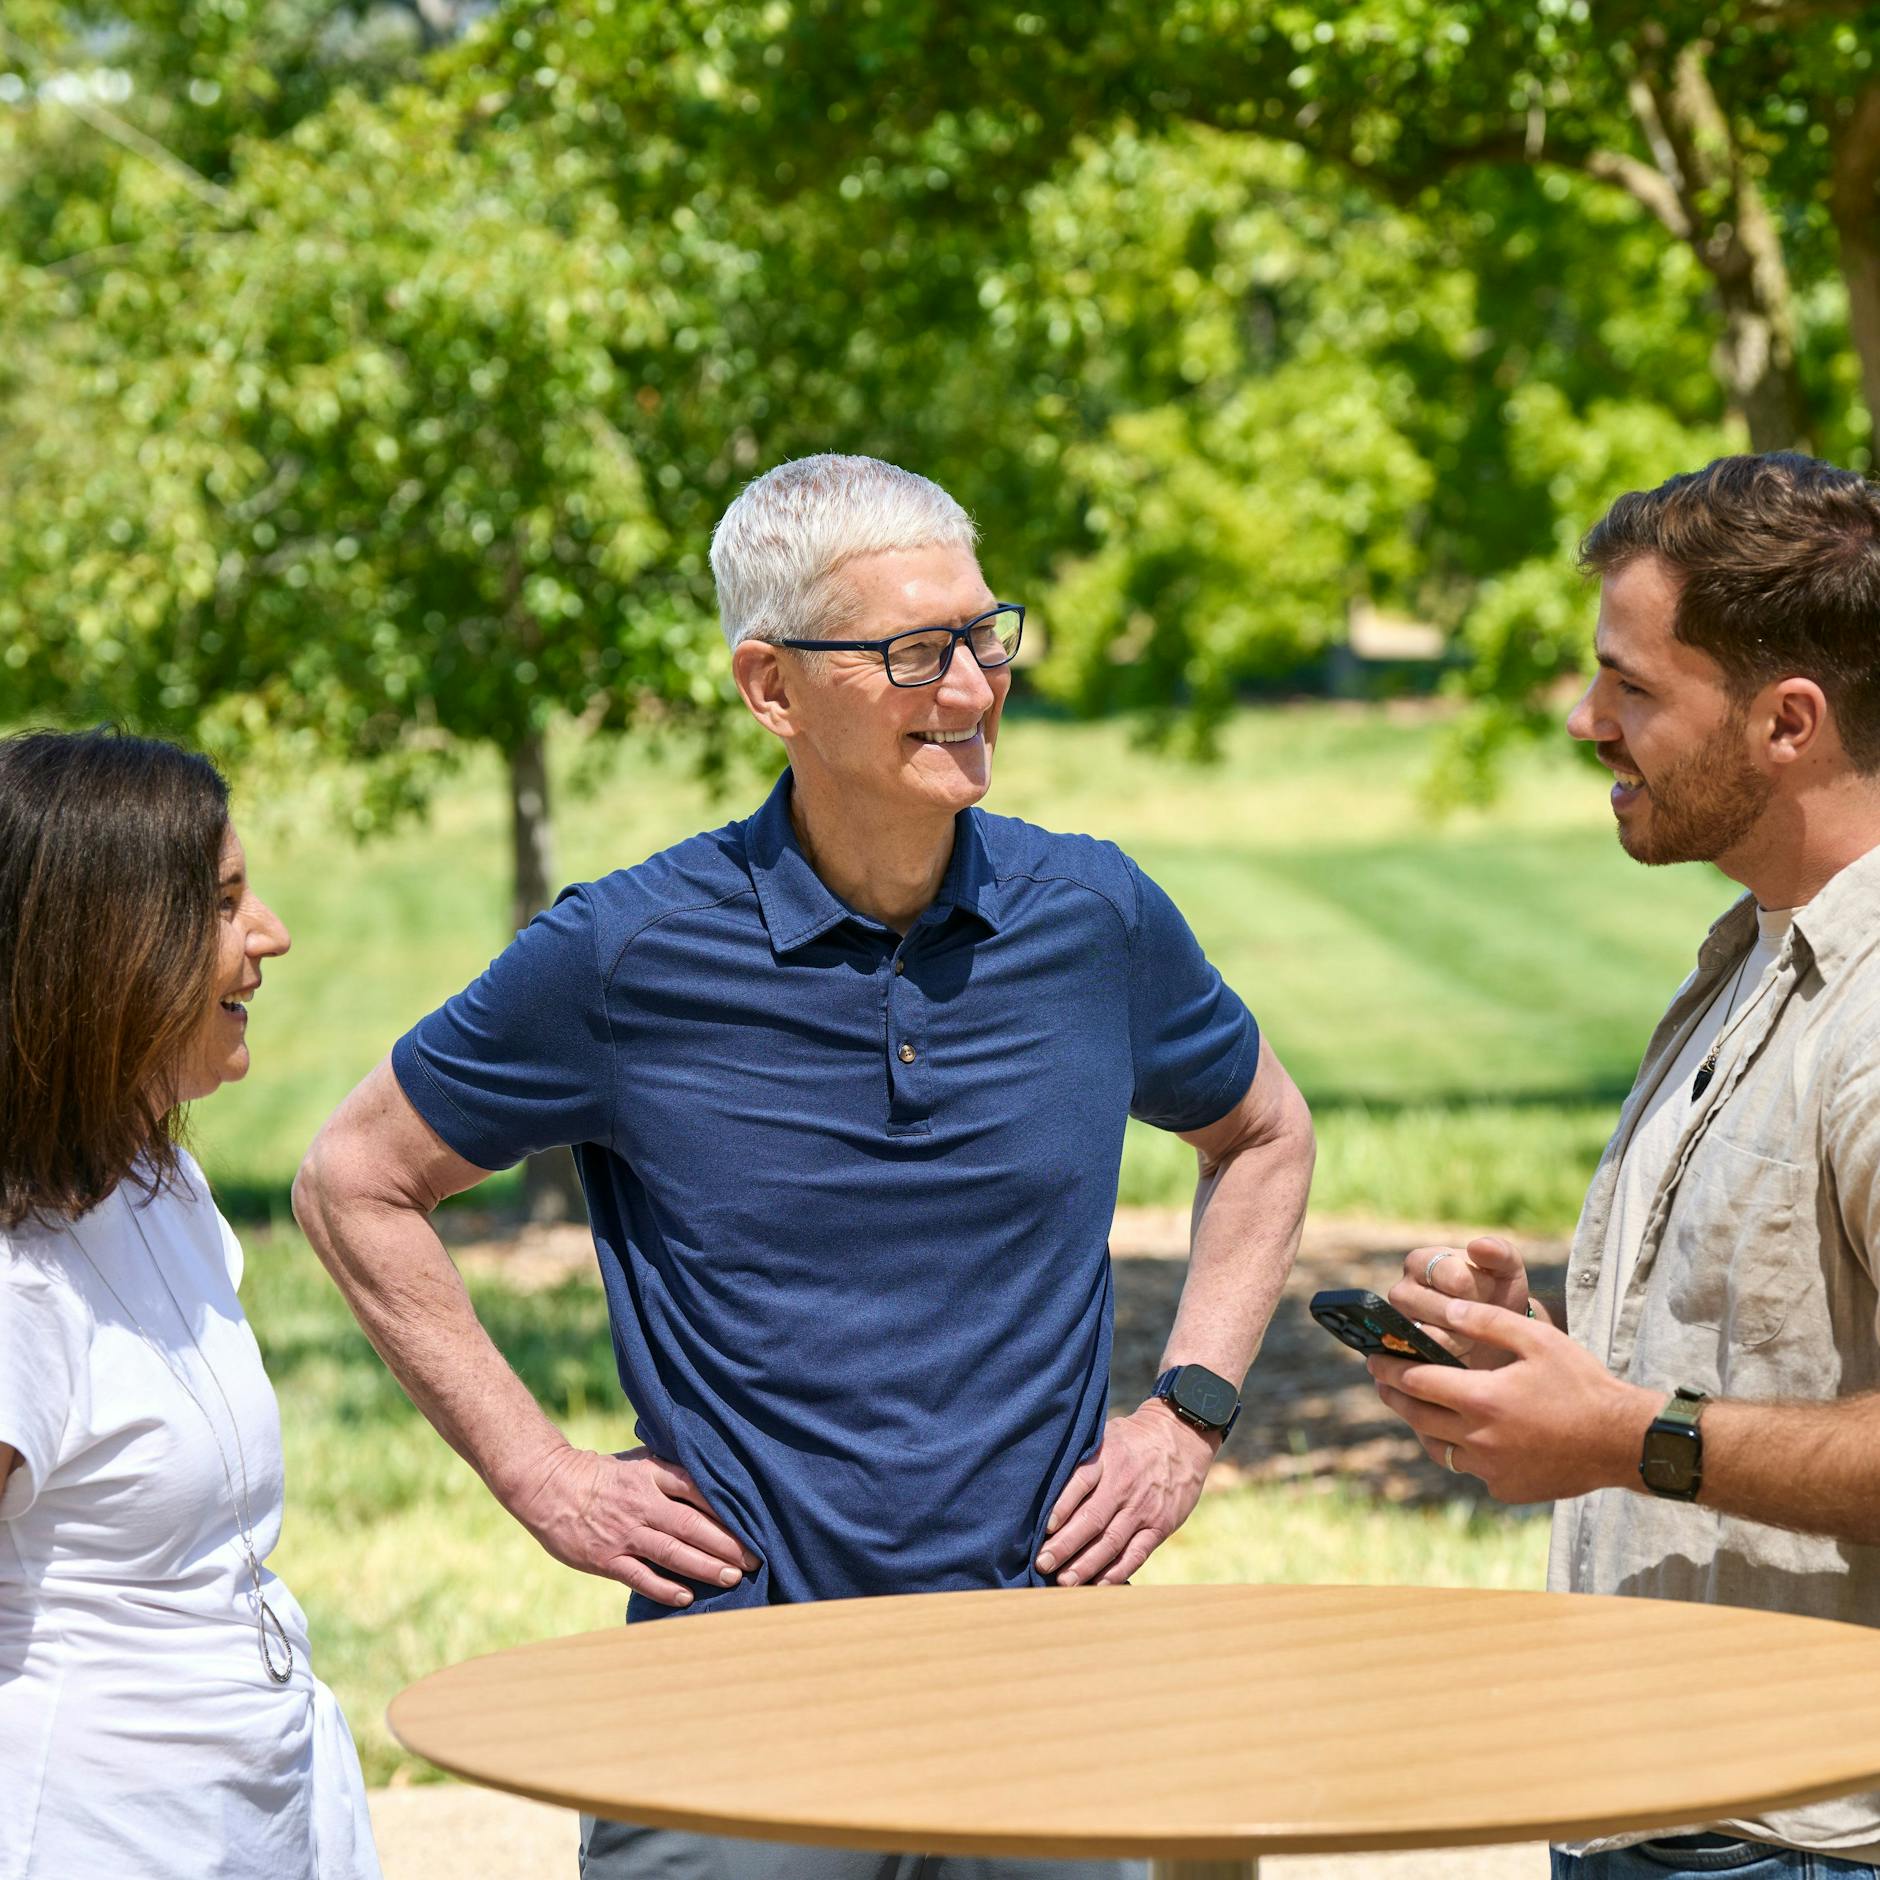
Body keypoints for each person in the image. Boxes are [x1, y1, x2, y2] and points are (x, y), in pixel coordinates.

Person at [294, 452, 1316, 1880]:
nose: (972, 688)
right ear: (770, 687)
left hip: (1046, 1676)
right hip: (729, 1703)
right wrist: (540, 1475)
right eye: (912, 653)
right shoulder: (627, 954)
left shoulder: (1094, 917)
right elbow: (354, 1179)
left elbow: (1264, 1132)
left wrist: (1186, 1414)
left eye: (984, 634)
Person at [1367, 452, 1880, 1880]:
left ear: (1789, 722)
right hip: (1660, 1805)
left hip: (1808, 1842)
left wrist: (1627, 1434)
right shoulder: (1753, 961)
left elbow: (1670, 1429)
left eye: (1635, 689)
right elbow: (1766, 1359)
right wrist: (1546, 1367)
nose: (1589, 725)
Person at [0, 728, 380, 1879]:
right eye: (223, 902)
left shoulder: (159, 1180)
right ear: (106, 950)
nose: (270, 933)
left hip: (248, 1815)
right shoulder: (18, 1283)